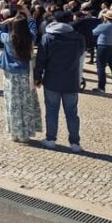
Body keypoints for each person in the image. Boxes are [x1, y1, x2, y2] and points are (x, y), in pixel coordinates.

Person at [34, 10, 86, 153]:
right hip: (71, 79)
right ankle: (75, 142)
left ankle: (51, 139)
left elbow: (41, 59)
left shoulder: (47, 37)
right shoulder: (78, 37)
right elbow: (81, 52)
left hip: (52, 79)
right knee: (72, 112)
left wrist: (37, 77)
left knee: (51, 110)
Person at [0, 7, 41, 142]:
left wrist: (8, 20)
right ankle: (26, 133)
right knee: (26, 104)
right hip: (26, 74)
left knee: (13, 103)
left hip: (11, 75)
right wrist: (28, 14)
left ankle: (15, 132)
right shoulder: (30, 37)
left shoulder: (8, 38)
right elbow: (33, 26)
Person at [92, 10, 112, 93]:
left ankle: (101, 87)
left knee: (101, 66)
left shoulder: (103, 26)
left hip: (104, 47)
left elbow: (93, 32)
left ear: (106, 17)